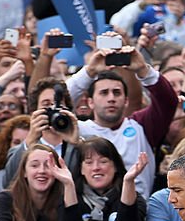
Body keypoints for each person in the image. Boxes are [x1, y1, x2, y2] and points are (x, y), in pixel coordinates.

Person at [66, 45, 178, 198]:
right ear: (90, 102)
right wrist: (89, 72)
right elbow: (52, 106)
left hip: (138, 215)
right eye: (104, 93)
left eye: (116, 93)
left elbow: (168, 101)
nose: (111, 98)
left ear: (126, 101)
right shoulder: (76, 129)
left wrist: (143, 70)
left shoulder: (142, 126)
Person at [47, 137, 147, 221]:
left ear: (115, 166)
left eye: (103, 161)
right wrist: (69, 185)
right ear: (81, 169)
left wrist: (128, 181)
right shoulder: (70, 197)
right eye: (89, 162)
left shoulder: (133, 198)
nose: (96, 168)